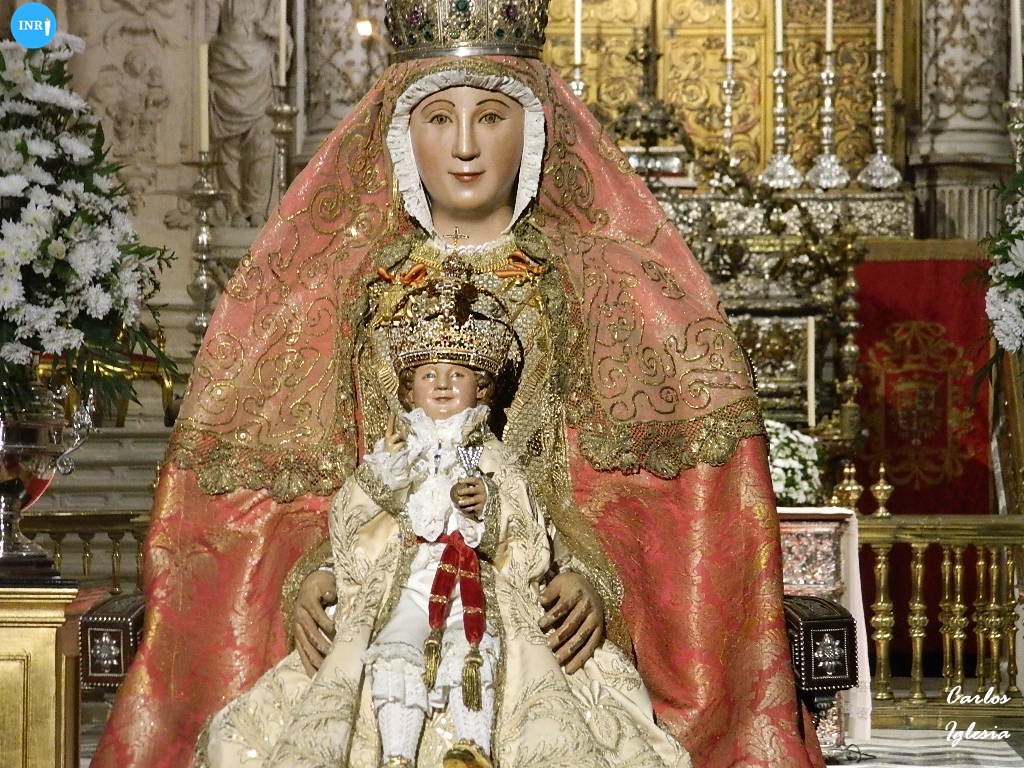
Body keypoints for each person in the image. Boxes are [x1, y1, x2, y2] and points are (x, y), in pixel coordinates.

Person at [94, 2, 825, 766]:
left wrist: (588, 581)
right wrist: (312, 575)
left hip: (528, 600)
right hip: (382, 594)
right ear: (403, 134)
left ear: (533, 130)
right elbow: (325, 482)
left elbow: (622, 499)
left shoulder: (596, 286)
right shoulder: (343, 291)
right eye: (440, 118)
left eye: (492, 117)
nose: (467, 146)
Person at [203, 268, 690, 768]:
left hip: (478, 577)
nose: (441, 385)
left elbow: (529, 522)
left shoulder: (492, 457)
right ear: (407, 390)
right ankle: (396, 752)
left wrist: (491, 507)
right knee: (393, 650)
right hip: (405, 578)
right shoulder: (395, 453)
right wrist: (379, 484)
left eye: (456, 375)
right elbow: (353, 521)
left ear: (481, 389)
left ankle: (472, 744)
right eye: (427, 375)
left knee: (477, 647)